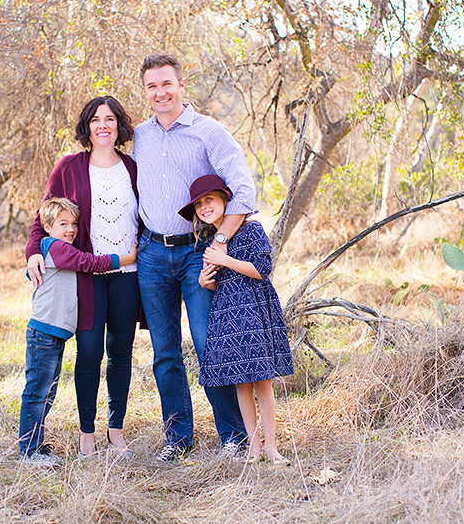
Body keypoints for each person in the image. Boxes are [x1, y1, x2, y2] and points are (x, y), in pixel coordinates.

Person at [132, 52, 255, 461]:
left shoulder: (209, 133)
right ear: (145, 91)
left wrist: (220, 242)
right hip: (150, 253)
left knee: (208, 344)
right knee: (165, 352)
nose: (160, 92)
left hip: (197, 253)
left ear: (182, 85)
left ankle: (233, 438)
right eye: (152, 86)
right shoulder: (140, 136)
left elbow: (243, 190)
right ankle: (177, 438)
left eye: (167, 83)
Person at [26, 96, 141, 458]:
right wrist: (33, 253)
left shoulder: (134, 168)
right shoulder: (69, 168)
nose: (102, 125)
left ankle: (116, 430)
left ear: (119, 125)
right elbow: (40, 218)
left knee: (120, 352)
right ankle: (87, 433)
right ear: (87, 127)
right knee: (89, 353)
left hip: (128, 274)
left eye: (109, 119)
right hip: (87, 276)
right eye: (95, 120)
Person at [180, 174, 294, 465]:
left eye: (210, 200)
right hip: (227, 312)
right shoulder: (206, 242)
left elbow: (261, 269)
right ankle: (253, 447)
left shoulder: (251, 229)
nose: (205, 207)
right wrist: (207, 283)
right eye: (199, 205)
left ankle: (271, 446)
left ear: (225, 201)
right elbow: (223, 281)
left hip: (255, 308)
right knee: (241, 383)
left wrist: (224, 259)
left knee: (262, 381)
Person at [20, 197, 137, 466]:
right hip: (44, 333)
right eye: (63, 224)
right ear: (47, 227)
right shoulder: (57, 248)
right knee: (37, 392)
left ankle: (35, 446)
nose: (71, 229)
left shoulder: (53, 250)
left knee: (46, 392)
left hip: (54, 333)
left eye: (74, 223)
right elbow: (89, 263)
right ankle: (28, 450)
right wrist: (127, 258)